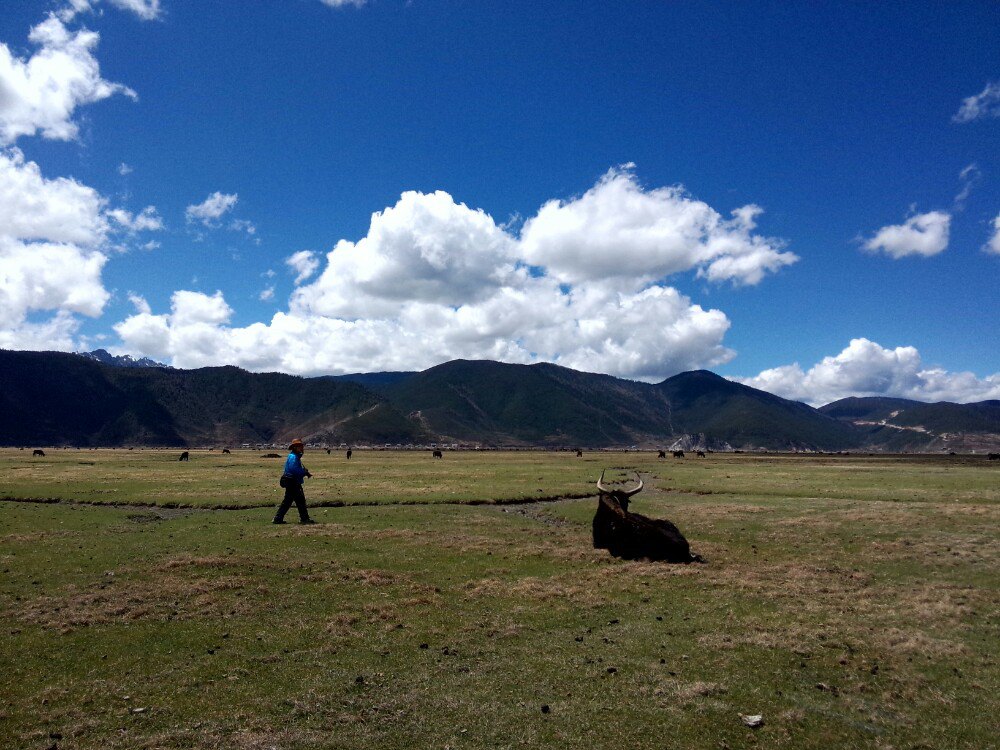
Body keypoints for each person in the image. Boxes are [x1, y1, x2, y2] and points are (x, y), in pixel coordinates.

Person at [273, 438, 316, 524]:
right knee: (297, 500)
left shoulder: (294, 456)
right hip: (293, 481)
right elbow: (294, 469)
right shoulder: (294, 457)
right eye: (300, 446)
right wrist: (304, 472)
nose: (302, 448)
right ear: (295, 447)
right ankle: (303, 518)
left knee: (291, 500)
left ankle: (279, 518)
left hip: (291, 481)